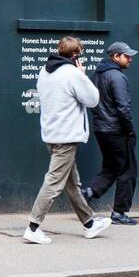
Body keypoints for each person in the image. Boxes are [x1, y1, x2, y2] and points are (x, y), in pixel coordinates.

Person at [24, 36, 112, 244]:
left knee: (72, 182)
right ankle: (33, 226)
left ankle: (89, 223)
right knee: (54, 182)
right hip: (66, 136)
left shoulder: (45, 71)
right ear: (75, 55)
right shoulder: (72, 73)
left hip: (51, 134)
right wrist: (82, 75)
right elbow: (93, 99)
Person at [83, 41, 139, 225]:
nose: (130, 59)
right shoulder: (117, 77)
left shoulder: (96, 75)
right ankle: (119, 213)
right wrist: (129, 130)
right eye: (126, 55)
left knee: (111, 167)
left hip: (101, 129)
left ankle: (89, 193)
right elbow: (123, 107)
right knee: (127, 171)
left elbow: (91, 102)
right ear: (115, 56)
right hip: (117, 131)